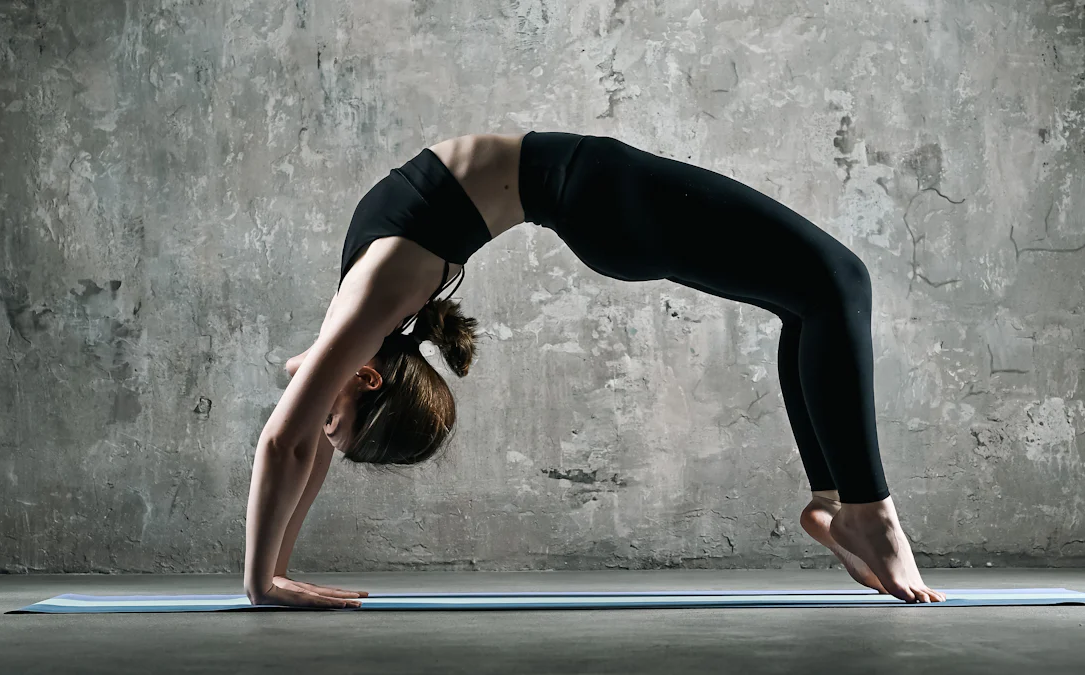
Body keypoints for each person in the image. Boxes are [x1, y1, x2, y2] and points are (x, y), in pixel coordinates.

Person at [243, 132, 947, 609]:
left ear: (368, 381)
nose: (316, 427)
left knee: (821, 293)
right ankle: (864, 514)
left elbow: (287, 440)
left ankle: (840, 504)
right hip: (600, 196)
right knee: (835, 285)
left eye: (334, 427)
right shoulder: (373, 309)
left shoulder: (375, 297)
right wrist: (276, 571)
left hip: (598, 193)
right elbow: (298, 439)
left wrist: (260, 582)